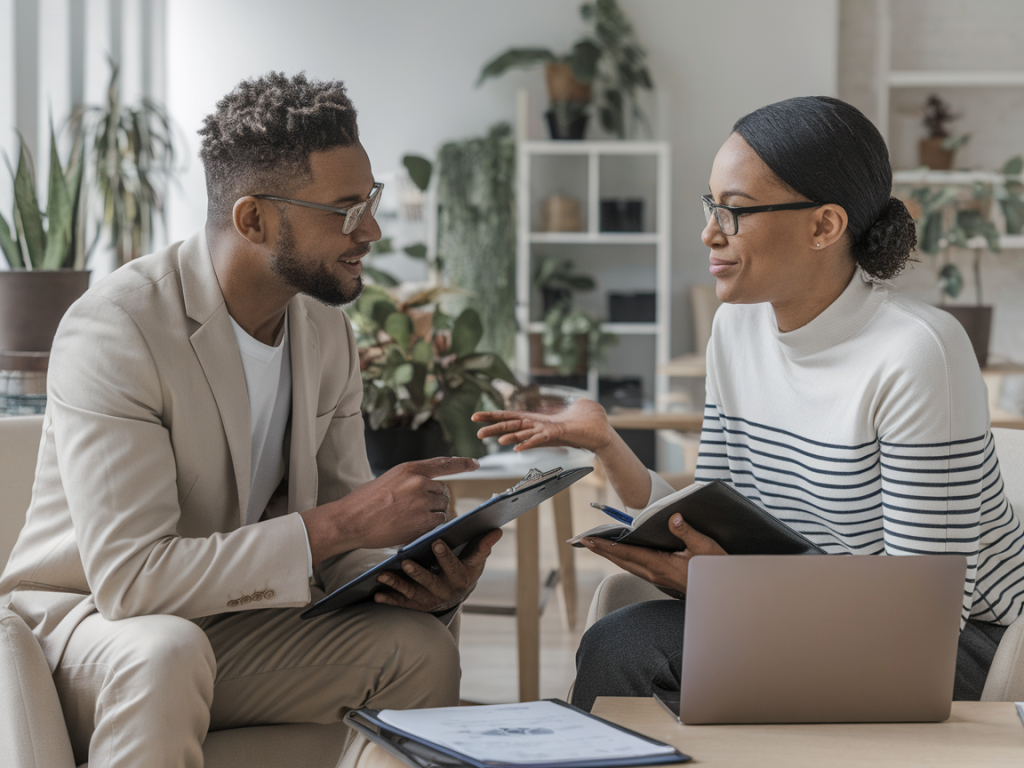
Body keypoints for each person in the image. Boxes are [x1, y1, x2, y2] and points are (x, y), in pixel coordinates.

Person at [0, 72, 501, 768]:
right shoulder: (117, 329)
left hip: (225, 624)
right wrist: (350, 523)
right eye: (346, 209)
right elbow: (131, 580)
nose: (373, 230)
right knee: (166, 649)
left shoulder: (325, 333)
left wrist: (410, 576)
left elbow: (340, 523)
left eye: (371, 201)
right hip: (85, 628)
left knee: (415, 649)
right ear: (253, 220)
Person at [474, 96, 1024, 711]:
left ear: (825, 226)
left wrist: (733, 590)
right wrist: (607, 443)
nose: (710, 232)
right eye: (712, 206)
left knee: (628, 647)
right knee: (626, 645)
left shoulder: (918, 353)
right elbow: (715, 519)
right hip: (825, 617)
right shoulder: (736, 331)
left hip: (967, 644)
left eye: (734, 212)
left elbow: (925, 614)